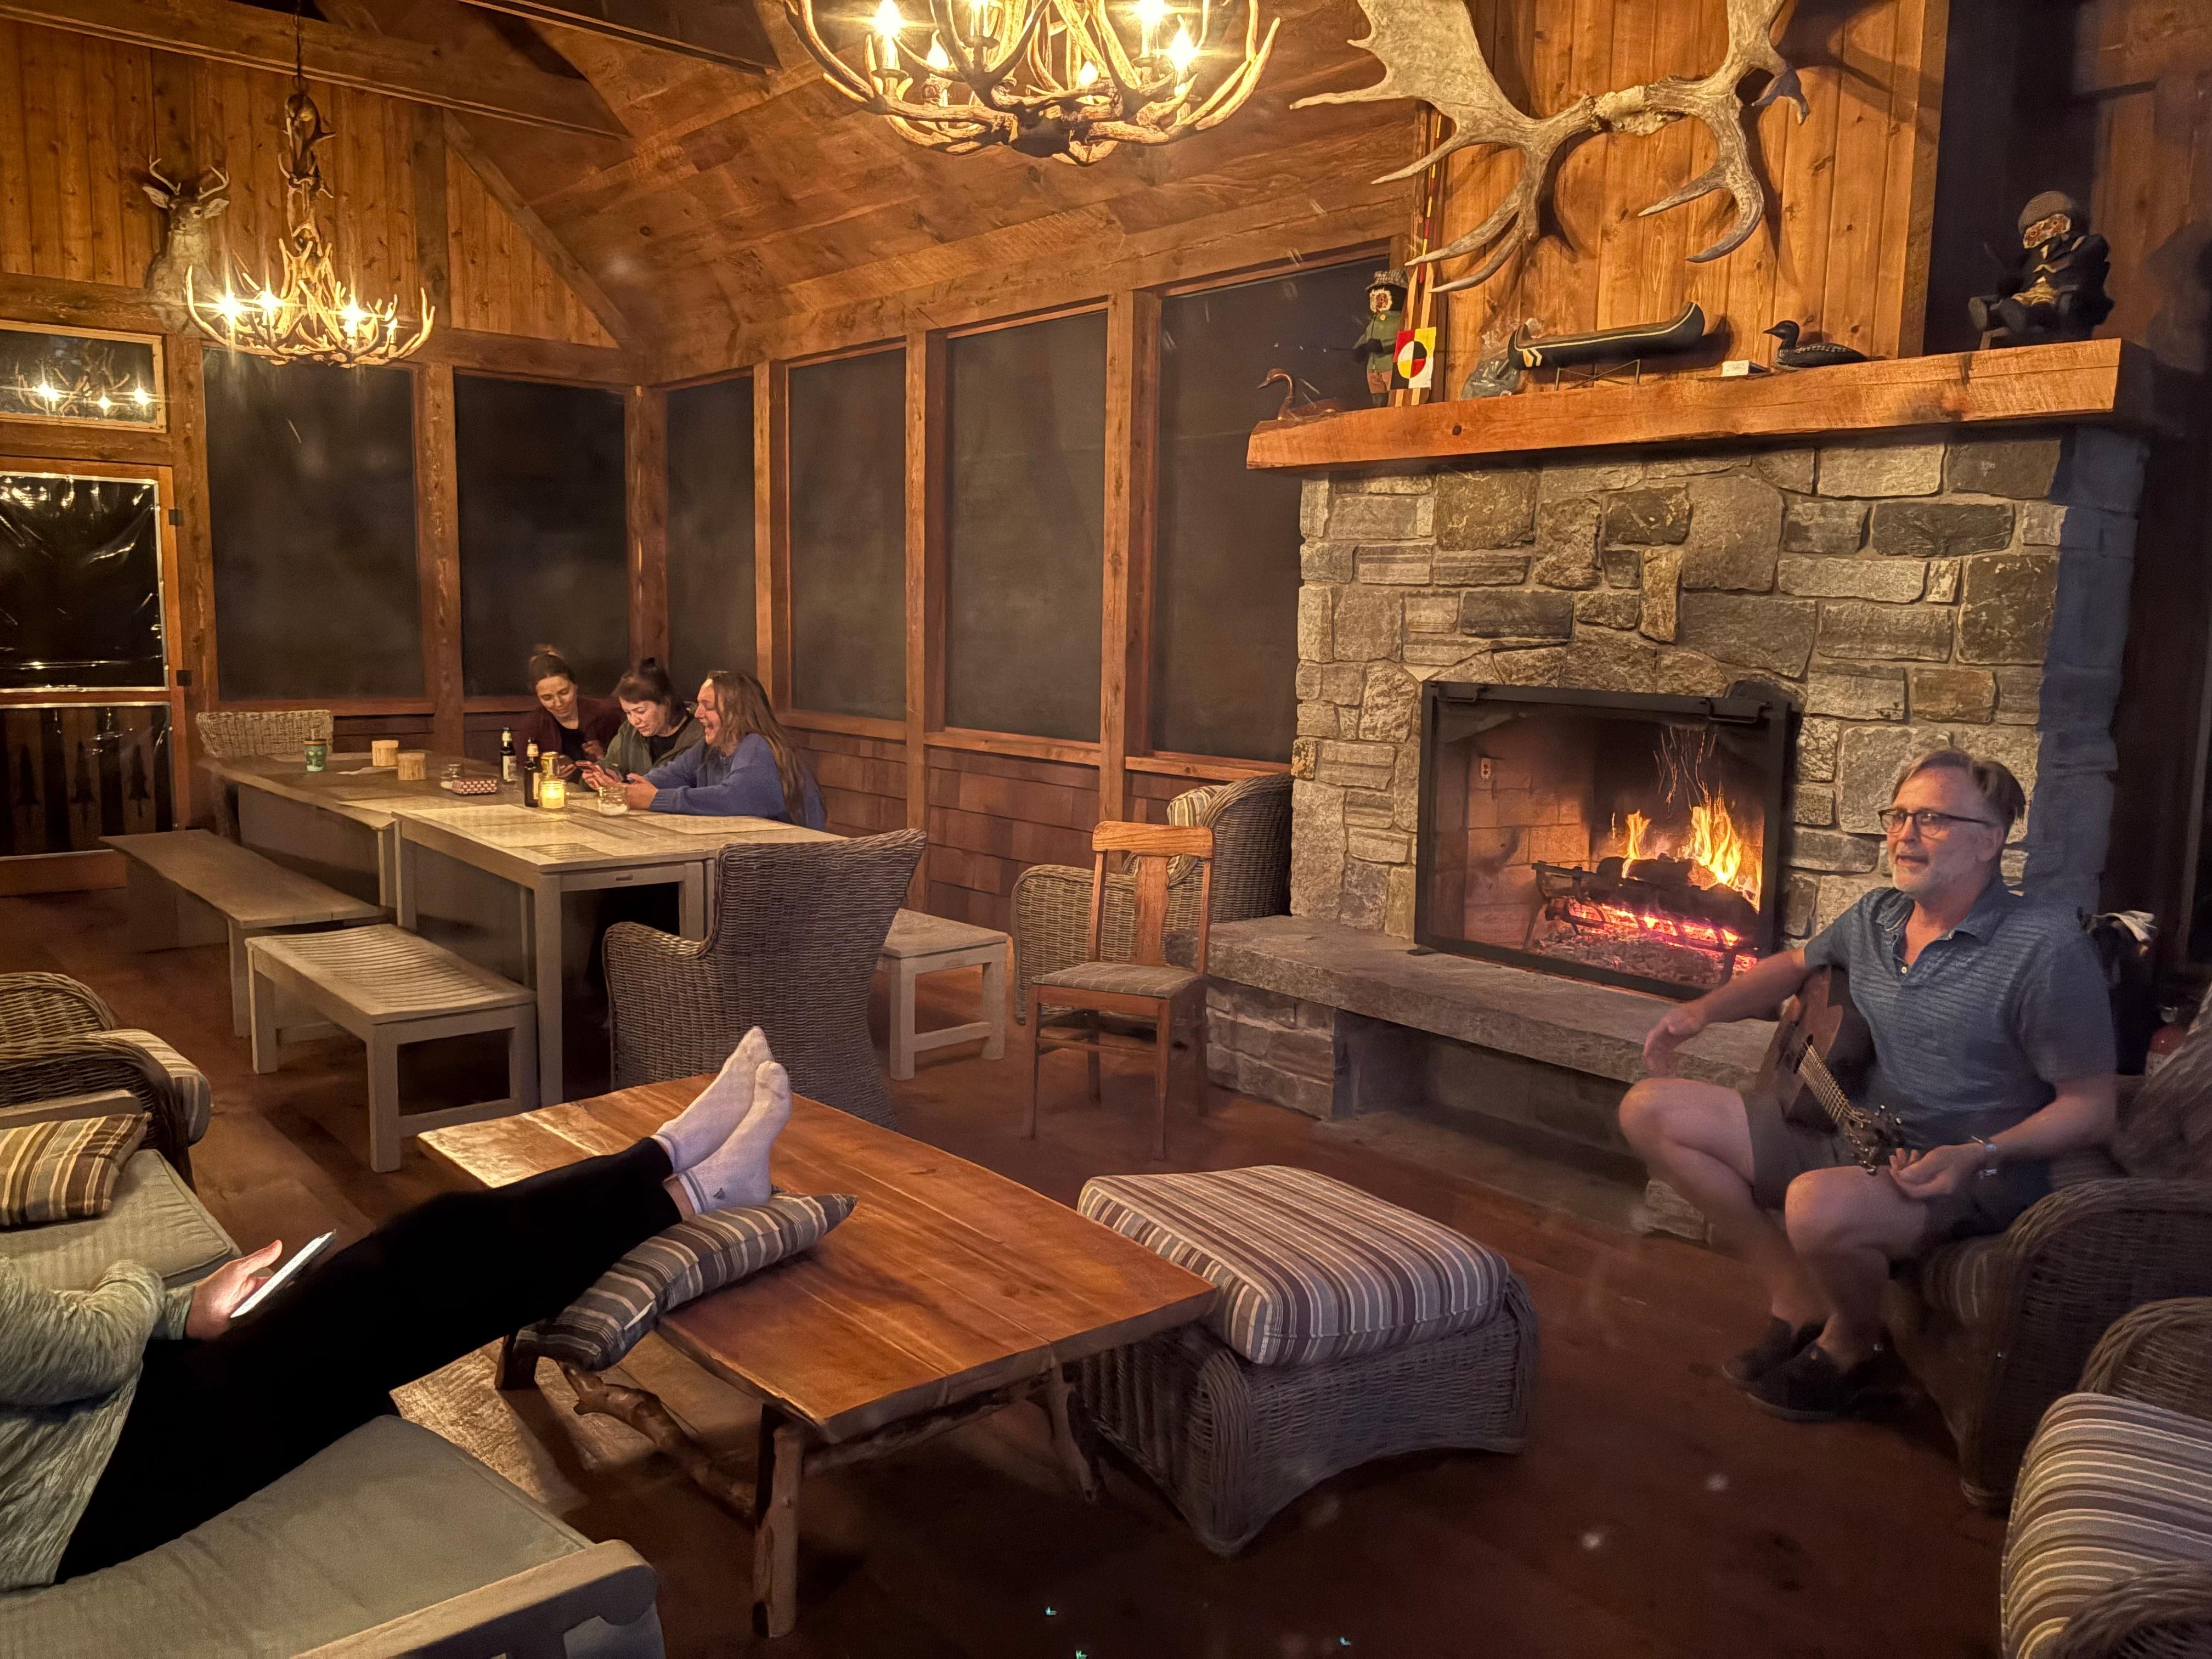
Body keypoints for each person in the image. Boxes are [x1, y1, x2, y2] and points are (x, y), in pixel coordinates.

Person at [3, 1031, 792, 1590]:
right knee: (413, 1270)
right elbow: (85, 1351)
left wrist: (177, 1314)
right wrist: (141, 1287)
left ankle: (668, 1161)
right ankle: (689, 1186)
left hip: (76, 1432)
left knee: (408, 1259)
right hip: (85, 1480)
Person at [1618, 748, 2117, 1423]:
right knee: (1650, 1110)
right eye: (1899, 816)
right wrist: (1699, 1013)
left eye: (1933, 819)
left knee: (1814, 1207)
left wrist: (1977, 1154)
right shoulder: (1877, 916)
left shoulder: (2045, 950)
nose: (1905, 835)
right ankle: (1796, 1298)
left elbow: (2092, 1110)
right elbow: (1792, 964)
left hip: (1967, 1171)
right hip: (1858, 1132)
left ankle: (1854, 1344)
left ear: (1990, 841)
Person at [606, 668, 826, 829]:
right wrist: (625, 788)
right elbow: (671, 775)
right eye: (699, 704)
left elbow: (733, 797)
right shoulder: (710, 748)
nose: (698, 714)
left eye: (708, 707)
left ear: (736, 712)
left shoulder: (758, 747)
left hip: (792, 866)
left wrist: (655, 799)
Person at [512, 644, 623, 779]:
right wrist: (548, 775)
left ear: (575, 686)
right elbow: (522, 772)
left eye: (564, 693)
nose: (559, 703)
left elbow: (624, 766)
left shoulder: (604, 715)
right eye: (547, 698)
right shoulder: (533, 725)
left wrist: (603, 757)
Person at [596, 658, 703, 781]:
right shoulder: (629, 732)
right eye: (628, 712)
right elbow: (611, 765)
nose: (634, 721)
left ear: (666, 703)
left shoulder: (701, 735)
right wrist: (600, 776)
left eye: (640, 711)